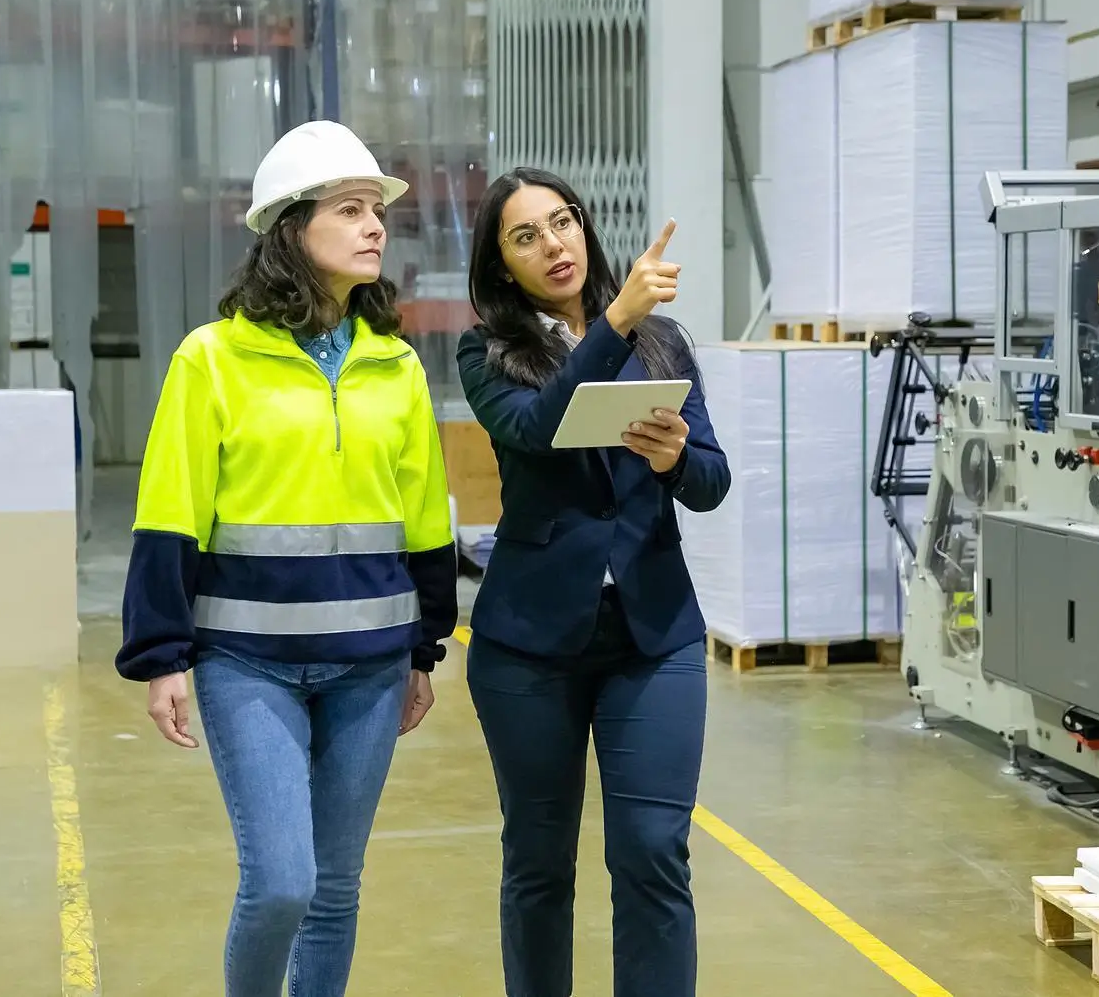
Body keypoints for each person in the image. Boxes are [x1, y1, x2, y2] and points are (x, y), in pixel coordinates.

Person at [115, 120, 458, 997]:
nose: (376, 225)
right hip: (245, 661)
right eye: (351, 209)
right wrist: (161, 656)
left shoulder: (396, 366)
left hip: (372, 667)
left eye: (377, 210)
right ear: (291, 231)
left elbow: (423, 519)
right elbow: (170, 509)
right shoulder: (214, 359)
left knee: (336, 889)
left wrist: (424, 649)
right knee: (282, 883)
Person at [456, 166, 731, 997]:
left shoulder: (664, 340)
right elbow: (537, 431)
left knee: (652, 850)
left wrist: (677, 455)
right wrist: (615, 319)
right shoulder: (489, 351)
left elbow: (712, 481)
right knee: (539, 861)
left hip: (653, 636)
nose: (554, 243)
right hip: (529, 646)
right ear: (503, 264)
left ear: (585, 227)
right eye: (526, 235)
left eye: (563, 221)